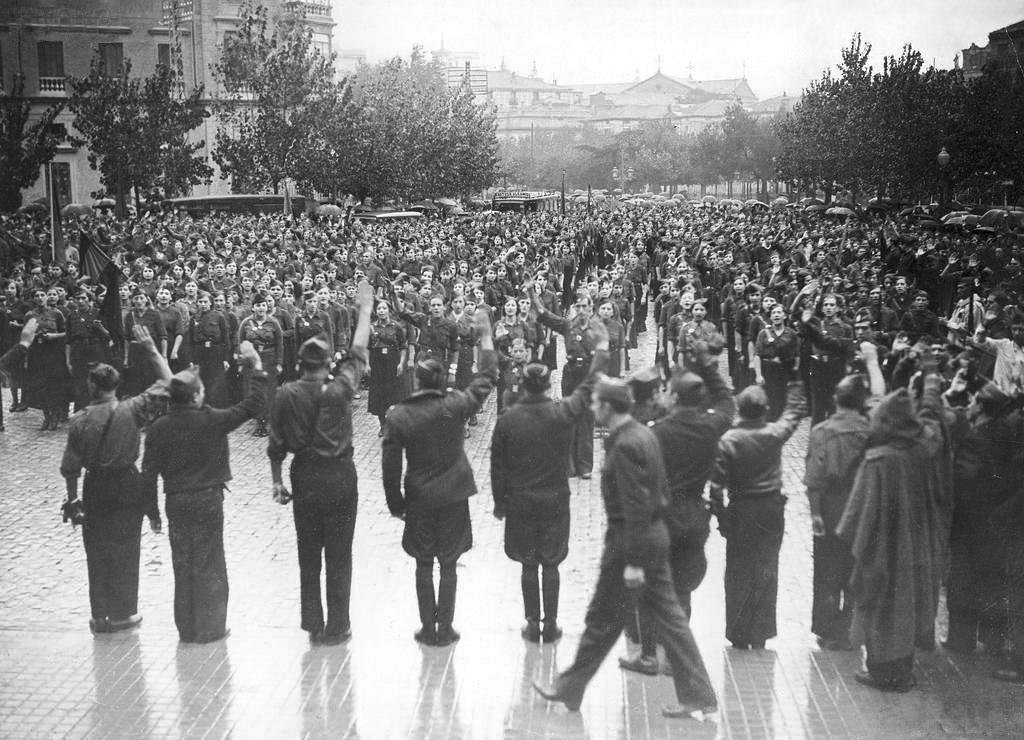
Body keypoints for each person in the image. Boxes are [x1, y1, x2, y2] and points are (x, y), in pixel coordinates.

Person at [532, 377, 718, 720]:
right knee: (629, 618)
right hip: (649, 538)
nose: (591, 408)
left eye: (595, 402)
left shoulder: (625, 446)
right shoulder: (642, 434)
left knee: (614, 617)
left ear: (606, 406)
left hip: (631, 544)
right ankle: (571, 688)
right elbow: (660, 493)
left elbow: (636, 506)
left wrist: (633, 561)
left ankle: (571, 688)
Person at [836, 352, 955, 692]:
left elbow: (856, 513)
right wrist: (928, 381)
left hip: (882, 549)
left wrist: (848, 539)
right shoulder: (925, 445)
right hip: (918, 545)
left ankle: (882, 673)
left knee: (879, 609)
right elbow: (931, 416)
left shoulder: (879, 460)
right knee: (909, 605)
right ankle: (903, 670)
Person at [382, 306, 497, 646]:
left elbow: (390, 466)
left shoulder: (400, 415)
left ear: (417, 380)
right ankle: (445, 628)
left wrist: (395, 503)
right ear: (442, 379)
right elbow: (488, 377)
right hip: (454, 494)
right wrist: (486, 334)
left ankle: (426, 626)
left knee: (422, 563)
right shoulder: (457, 404)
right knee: (449, 562)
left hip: (418, 496)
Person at [267, 281, 374, 646]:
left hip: (305, 476)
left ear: (299, 364)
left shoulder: (285, 393)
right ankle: (338, 625)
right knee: (340, 555)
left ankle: (313, 622)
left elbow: (276, 445)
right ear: (328, 364)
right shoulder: (341, 388)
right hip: (341, 477)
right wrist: (365, 309)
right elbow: (358, 348)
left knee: (308, 554)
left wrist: (277, 482)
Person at [619, 342, 735, 675]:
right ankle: (674, 658)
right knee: (683, 588)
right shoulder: (712, 426)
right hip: (694, 515)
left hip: (661, 517)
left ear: (674, 396)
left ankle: (647, 655)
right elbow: (727, 400)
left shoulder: (656, 433)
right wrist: (707, 365)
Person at [141, 339, 267, 644]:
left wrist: (153, 513)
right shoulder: (213, 419)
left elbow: (147, 474)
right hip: (209, 498)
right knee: (210, 563)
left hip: (176, 501)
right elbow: (252, 405)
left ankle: (187, 628)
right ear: (197, 396)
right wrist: (258, 367)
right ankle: (211, 628)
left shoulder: (158, 428)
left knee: (182, 563)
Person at [490, 323, 609, 642]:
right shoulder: (562, 412)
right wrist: (603, 348)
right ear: (547, 386)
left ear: (524, 385)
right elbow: (587, 387)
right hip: (555, 499)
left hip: (520, 501)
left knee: (528, 564)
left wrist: (500, 503)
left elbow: (496, 466)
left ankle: (532, 622)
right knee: (552, 563)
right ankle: (552, 623)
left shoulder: (507, 420)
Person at [54, 321, 172, 633]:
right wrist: (150, 350)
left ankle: (99, 614)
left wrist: (73, 499)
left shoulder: (78, 420)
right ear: (117, 386)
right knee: (126, 548)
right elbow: (171, 383)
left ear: (91, 386)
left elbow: (70, 468)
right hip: (127, 483)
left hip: (95, 487)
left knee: (96, 550)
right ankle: (124, 612)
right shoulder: (133, 408)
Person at [709, 378, 807, 650]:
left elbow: (715, 488)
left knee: (738, 570)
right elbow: (795, 412)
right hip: (771, 509)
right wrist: (795, 380)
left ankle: (738, 632)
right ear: (765, 410)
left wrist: (723, 519)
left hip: (741, 508)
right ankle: (760, 632)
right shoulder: (775, 433)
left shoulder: (728, 441)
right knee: (767, 568)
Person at [803, 355, 883, 651]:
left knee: (826, 568)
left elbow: (814, 478)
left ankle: (827, 629)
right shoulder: (871, 428)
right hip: (863, 503)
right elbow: (879, 397)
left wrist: (815, 514)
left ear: (835, 399)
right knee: (856, 564)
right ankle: (851, 627)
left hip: (831, 504)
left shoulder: (822, 431)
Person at [531, 282, 599, 478]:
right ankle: (569, 465)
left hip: (588, 375)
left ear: (591, 308)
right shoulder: (568, 326)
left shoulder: (597, 329)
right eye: (578, 306)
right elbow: (544, 315)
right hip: (571, 374)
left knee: (586, 419)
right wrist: (530, 291)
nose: (581, 310)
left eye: (585, 306)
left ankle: (585, 467)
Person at [366, 299, 408, 434]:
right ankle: (382, 424)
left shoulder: (396, 327)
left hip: (392, 361)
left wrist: (401, 363)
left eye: (384, 308)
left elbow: (403, 346)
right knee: (379, 393)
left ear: (389, 311)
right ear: (376, 312)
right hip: (377, 362)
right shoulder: (371, 328)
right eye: (379, 309)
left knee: (393, 392)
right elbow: (367, 348)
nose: (381, 311)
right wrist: (366, 364)